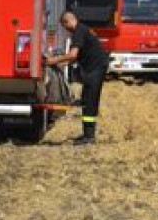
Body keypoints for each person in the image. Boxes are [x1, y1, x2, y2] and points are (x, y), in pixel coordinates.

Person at [45, 10, 110, 144]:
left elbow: (73, 54)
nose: (66, 30)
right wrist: (63, 63)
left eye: (64, 27)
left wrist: (54, 60)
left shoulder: (78, 32)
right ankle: (87, 134)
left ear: (67, 22)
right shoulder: (83, 29)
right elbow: (78, 56)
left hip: (95, 69)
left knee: (90, 101)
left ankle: (89, 137)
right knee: (86, 99)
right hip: (95, 67)